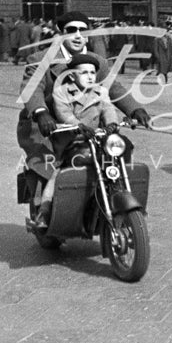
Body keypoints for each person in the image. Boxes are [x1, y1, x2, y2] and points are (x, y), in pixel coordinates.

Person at [17, 11, 151, 217]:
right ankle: (43, 208)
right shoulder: (40, 59)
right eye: (72, 30)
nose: (78, 35)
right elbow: (31, 88)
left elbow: (113, 88)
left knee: (115, 152)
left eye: (83, 30)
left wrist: (135, 109)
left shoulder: (96, 61)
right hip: (48, 126)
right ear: (60, 34)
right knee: (50, 165)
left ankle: (111, 194)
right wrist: (40, 111)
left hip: (87, 124)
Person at [33, 52, 121, 229]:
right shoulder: (61, 93)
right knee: (57, 174)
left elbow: (108, 109)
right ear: (72, 76)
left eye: (92, 73)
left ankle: (121, 200)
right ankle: (45, 210)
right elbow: (63, 113)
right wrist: (78, 125)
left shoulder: (101, 91)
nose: (89, 77)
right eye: (84, 73)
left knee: (117, 161)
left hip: (97, 139)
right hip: (72, 141)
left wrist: (112, 124)